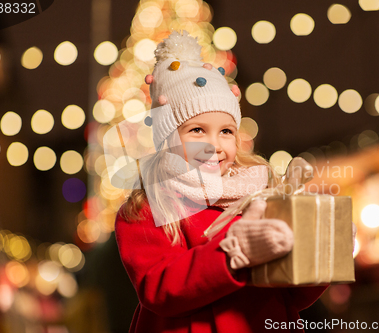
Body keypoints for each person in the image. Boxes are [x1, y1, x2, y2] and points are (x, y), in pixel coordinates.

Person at [115, 30, 328, 333]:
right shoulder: (146, 208)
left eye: (226, 131)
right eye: (197, 130)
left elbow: (291, 294)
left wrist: (320, 247)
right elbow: (158, 288)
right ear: (167, 139)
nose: (215, 145)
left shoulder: (262, 194)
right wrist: (234, 252)